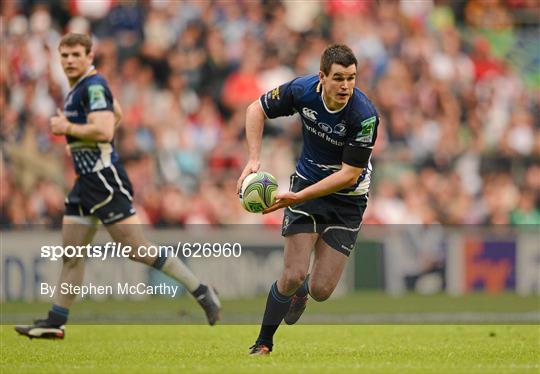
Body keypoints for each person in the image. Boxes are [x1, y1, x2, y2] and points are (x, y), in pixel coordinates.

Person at [15, 33, 220, 339]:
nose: (69, 60)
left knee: (137, 250)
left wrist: (68, 129)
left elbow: (106, 126)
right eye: (65, 55)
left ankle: (201, 290)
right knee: (72, 255)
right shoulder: (79, 89)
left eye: (75, 55)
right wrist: (85, 143)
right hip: (85, 182)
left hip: (103, 180)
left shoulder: (93, 86)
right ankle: (55, 321)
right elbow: (118, 114)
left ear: (89, 57)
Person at [237, 44, 379, 355]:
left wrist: (297, 196)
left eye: (352, 78)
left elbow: (348, 175)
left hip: (347, 200)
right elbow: (255, 109)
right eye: (339, 78)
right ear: (322, 77)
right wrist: (253, 159)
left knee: (322, 289)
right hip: (307, 184)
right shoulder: (302, 90)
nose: (345, 86)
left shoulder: (364, 115)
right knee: (292, 274)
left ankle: (303, 291)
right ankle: (263, 343)